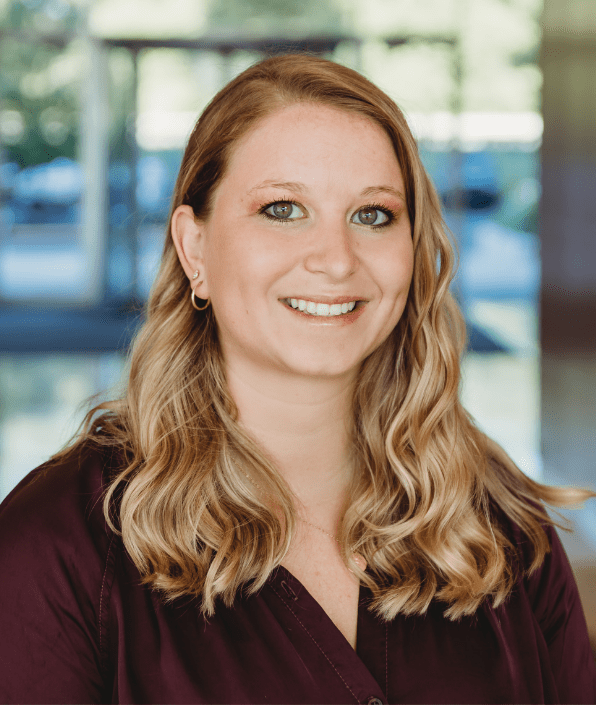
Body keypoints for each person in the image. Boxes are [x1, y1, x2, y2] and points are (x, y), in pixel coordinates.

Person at [0, 54, 595, 705]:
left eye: (372, 215)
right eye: (282, 209)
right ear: (195, 248)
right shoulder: (58, 544)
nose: (336, 260)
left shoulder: (501, 527)